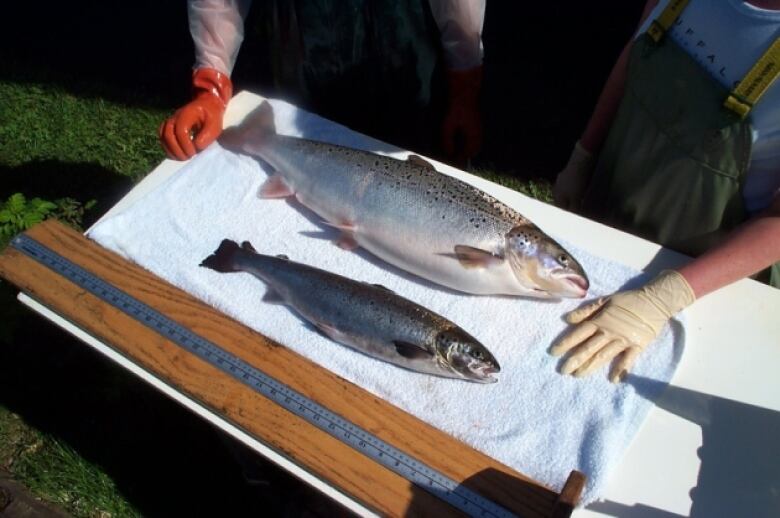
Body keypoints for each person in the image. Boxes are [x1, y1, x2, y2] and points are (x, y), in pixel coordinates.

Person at [550, 0, 780, 382]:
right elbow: (635, 54)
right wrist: (584, 154)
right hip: (607, 218)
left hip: (699, 282)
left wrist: (665, 297)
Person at [159, 0, 485, 165]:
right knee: (298, 185)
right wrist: (210, 86)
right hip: (300, 56)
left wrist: (464, 94)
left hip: (403, 59)